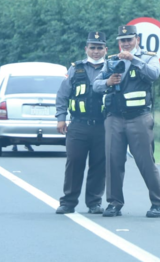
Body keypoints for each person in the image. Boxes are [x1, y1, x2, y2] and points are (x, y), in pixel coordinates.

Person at [93, 25, 160, 218]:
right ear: (118, 43)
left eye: (129, 40)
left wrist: (134, 60)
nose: (126, 43)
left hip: (139, 118)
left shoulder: (148, 57)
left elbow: (154, 74)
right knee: (113, 162)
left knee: (146, 162)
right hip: (114, 118)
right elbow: (96, 84)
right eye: (122, 41)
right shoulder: (111, 61)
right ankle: (114, 203)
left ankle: (158, 203)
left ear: (137, 40)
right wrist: (107, 83)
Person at [55, 32, 108, 215]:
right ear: (86, 49)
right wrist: (61, 118)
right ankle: (68, 202)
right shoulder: (75, 69)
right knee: (74, 162)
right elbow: (62, 95)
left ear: (105, 50)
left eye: (99, 47)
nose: (95, 51)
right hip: (78, 125)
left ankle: (94, 202)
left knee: (99, 165)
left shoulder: (112, 68)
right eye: (92, 47)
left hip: (103, 126)